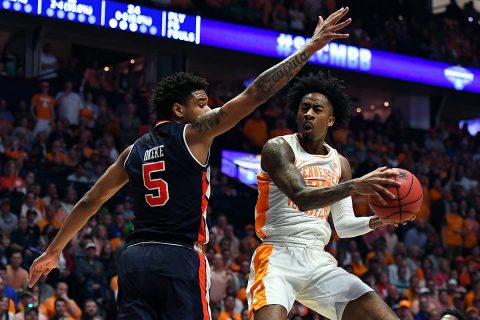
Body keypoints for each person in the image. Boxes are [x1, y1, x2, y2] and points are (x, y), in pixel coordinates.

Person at [27, 7, 352, 319]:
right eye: (201, 104)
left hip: (134, 259)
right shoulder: (195, 134)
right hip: (178, 258)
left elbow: (89, 201)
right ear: (179, 111)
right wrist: (310, 47)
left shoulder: (132, 151)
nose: (209, 109)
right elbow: (256, 93)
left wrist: (54, 250)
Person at [246, 72, 406, 320]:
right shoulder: (278, 148)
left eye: (316, 109)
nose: (308, 113)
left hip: (318, 259)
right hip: (277, 254)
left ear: (330, 120)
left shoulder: (339, 163)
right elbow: (302, 197)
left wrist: (378, 220)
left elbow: (343, 227)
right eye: (304, 108)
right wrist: (354, 186)